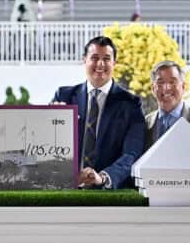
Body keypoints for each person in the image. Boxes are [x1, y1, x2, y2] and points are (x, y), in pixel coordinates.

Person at [52, 35, 144, 189]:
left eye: (107, 59)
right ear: (84, 60)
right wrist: (49, 119)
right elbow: (45, 142)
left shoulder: (131, 104)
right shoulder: (64, 96)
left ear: (114, 63)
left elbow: (131, 154)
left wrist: (102, 177)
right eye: (94, 58)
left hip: (105, 190)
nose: (100, 64)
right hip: (65, 186)